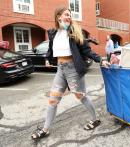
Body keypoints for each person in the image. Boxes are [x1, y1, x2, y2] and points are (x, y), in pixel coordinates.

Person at [31, 6, 110, 139]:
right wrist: (47, 58)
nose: (69, 17)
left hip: (73, 69)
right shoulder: (53, 33)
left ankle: (95, 119)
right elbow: (51, 48)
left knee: (81, 97)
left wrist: (100, 60)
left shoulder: (74, 32)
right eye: (66, 14)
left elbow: (87, 50)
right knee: (53, 100)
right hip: (60, 69)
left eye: (70, 15)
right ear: (58, 17)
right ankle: (45, 129)